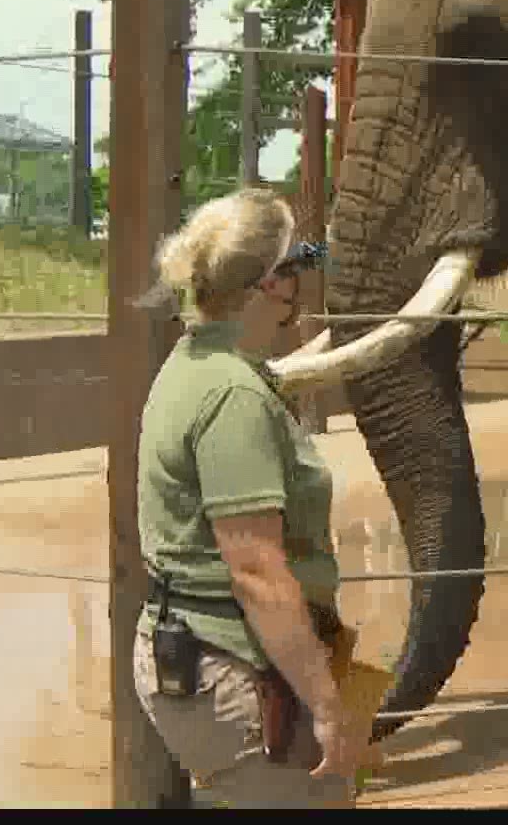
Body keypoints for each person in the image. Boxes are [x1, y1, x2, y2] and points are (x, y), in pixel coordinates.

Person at [129, 187, 365, 808]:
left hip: (210, 654)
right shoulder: (232, 396)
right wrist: (326, 704)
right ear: (270, 286)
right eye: (296, 265)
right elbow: (257, 572)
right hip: (235, 667)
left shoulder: (197, 362)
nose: (301, 283)